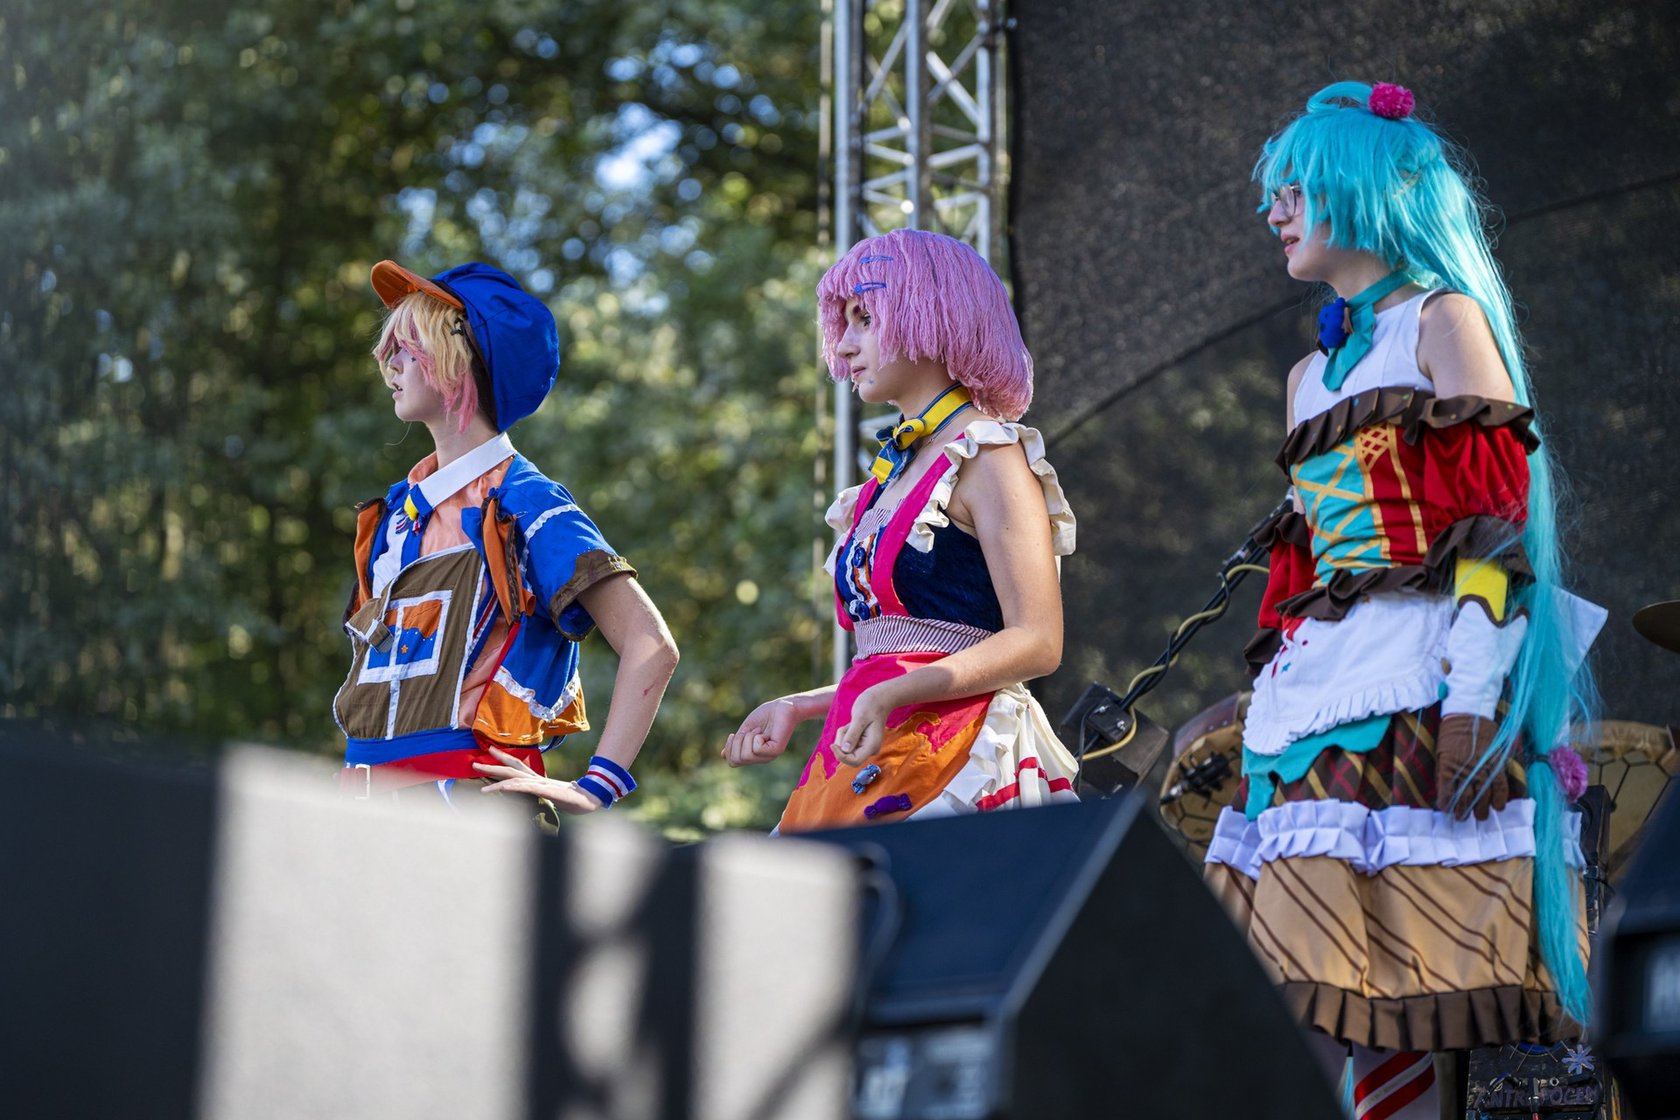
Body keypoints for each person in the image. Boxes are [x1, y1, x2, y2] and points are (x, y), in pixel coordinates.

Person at [1201, 82, 1604, 1117]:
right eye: (1275, 194)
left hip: (1424, 682)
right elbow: (1305, 570)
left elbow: (1495, 531)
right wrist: (1262, 694)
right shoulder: (1306, 378)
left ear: (1364, 191)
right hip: (1316, 698)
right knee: (1305, 989)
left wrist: (1473, 701)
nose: (1274, 211)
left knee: (1404, 992)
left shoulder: (1443, 320)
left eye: (1295, 189)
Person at [723, 228, 1081, 830]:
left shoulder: (991, 456)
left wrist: (893, 693)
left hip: (959, 752)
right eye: (844, 323)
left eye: (864, 319)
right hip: (866, 752)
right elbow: (896, 657)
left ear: (931, 315)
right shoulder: (886, 479)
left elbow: (1038, 642)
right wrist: (804, 705)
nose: (844, 346)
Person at [333, 260, 678, 816]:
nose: (387, 361)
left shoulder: (527, 503)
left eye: (406, 346)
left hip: (468, 811)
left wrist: (596, 785)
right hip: (363, 810)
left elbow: (651, 644)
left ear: (460, 357)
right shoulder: (393, 514)